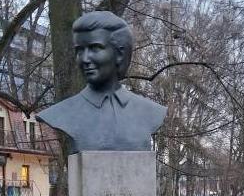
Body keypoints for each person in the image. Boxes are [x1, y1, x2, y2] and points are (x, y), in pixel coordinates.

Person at [36, 10, 167, 153]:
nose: (85, 59)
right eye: (80, 50)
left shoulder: (151, 112)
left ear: (120, 53)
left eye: (95, 48)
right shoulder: (62, 113)